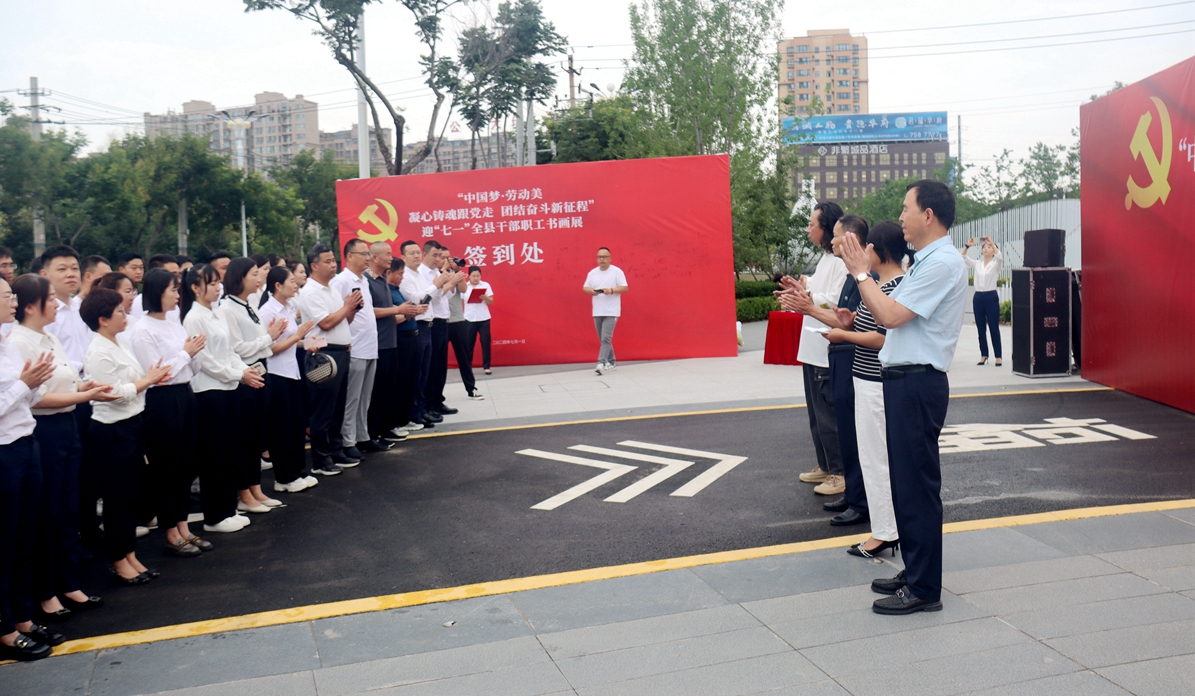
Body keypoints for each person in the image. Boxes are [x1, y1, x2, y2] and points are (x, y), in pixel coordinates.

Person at [840, 180, 967, 615]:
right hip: (904, 382)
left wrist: (861, 273)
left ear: (928, 215)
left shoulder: (942, 263)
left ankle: (924, 588)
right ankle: (914, 571)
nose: (901, 217)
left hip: (917, 383)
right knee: (906, 484)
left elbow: (891, 315)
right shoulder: (925, 261)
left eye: (905, 208)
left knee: (917, 488)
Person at [9, 275, 114, 621]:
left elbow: (62, 381)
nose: (56, 303)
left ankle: (69, 582)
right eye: (49, 298)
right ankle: (47, 590)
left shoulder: (48, 336)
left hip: (68, 423)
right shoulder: (19, 341)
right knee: (47, 513)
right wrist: (85, 394)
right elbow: (36, 398)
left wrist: (85, 387)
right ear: (30, 306)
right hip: (46, 428)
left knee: (68, 507)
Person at [826, 221, 907, 559]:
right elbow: (868, 324)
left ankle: (886, 532)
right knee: (873, 458)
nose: (864, 253)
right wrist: (846, 323)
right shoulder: (881, 284)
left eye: (868, 247)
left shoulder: (893, 287)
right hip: (868, 382)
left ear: (879, 251)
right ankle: (885, 529)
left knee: (877, 461)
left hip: (876, 384)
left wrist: (844, 335)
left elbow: (881, 337)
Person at [80, 288, 171, 583]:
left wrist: (148, 377)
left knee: (130, 497)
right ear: (103, 319)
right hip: (111, 431)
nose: (125, 315)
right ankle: (119, 560)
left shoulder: (119, 342)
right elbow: (111, 394)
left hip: (132, 425)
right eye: (119, 311)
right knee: (116, 500)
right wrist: (147, 381)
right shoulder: (98, 350)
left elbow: (132, 381)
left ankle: (130, 554)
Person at [128, 269, 209, 557]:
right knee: (167, 467)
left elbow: (188, 367)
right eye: (173, 290)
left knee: (187, 463)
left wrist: (195, 353)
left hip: (185, 393)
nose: (178, 295)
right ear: (157, 292)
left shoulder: (175, 324)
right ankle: (170, 533)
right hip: (162, 401)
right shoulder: (143, 329)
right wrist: (187, 354)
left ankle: (184, 527)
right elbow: (158, 375)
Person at [0, 276, 59, 662]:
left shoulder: (7, 345)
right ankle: (4, 628)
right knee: (3, 543)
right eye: (6, 296)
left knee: (25, 539)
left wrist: (34, 382)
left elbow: (26, 398)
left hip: (26, 444)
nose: (13, 300)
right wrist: (24, 384)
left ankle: (22, 617)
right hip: (3, 452)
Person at [181, 265, 263, 533]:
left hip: (228, 388)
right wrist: (238, 375)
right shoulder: (194, 318)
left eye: (218, 283)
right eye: (211, 283)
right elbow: (205, 362)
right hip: (209, 392)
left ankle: (228, 508)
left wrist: (243, 370)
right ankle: (214, 516)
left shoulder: (215, 314)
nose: (218, 287)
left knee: (230, 450)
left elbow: (229, 352)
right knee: (213, 455)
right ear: (195, 288)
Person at [777, 202, 848, 497]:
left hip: (825, 347)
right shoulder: (825, 259)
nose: (808, 229)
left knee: (829, 414)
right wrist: (800, 291)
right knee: (816, 414)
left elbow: (833, 303)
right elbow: (816, 296)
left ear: (828, 227)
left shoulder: (842, 263)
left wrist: (806, 296)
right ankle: (825, 463)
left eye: (811, 224)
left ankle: (839, 472)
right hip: (811, 347)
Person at [217, 258, 284, 513]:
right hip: (244, 378)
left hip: (260, 373)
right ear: (240, 277)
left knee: (256, 436)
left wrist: (267, 339)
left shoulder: (248, 306)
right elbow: (237, 349)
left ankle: (256, 489)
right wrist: (269, 337)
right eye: (255, 274)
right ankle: (244, 493)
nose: (260, 279)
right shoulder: (227, 309)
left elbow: (258, 343)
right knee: (244, 439)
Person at [298, 244, 363, 473]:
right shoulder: (310, 291)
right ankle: (320, 459)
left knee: (337, 407)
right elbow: (325, 323)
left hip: (341, 351)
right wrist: (347, 307)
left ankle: (336, 451)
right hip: (323, 355)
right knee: (323, 410)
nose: (333, 264)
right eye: (327, 261)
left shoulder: (331, 289)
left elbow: (344, 321)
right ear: (314, 266)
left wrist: (352, 309)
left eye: (334, 260)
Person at [258, 266, 317, 493]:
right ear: (277, 286)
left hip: (293, 371)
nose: (295, 284)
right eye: (291, 281)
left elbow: (292, 342)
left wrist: (306, 342)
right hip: (276, 374)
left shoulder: (289, 306)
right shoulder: (267, 311)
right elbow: (269, 349)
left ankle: (298, 470)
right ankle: (284, 477)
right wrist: (298, 336)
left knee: (296, 424)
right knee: (281, 428)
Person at [333, 239, 386, 457]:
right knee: (351, 398)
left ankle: (363, 436)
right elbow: (339, 313)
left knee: (365, 397)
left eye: (368, 254)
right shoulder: (342, 281)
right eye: (363, 254)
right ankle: (347, 441)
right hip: (354, 347)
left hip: (370, 345)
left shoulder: (363, 280)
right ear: (350, 256)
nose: (367, 258)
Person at [398, 240, 458, 428]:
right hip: (419, 325)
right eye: (412, 253)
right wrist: (438, 284)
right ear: (403, 257)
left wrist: (441, 284)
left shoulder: (419, 275)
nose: (416, 256)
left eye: (417, 252)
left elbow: (435, 297)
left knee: (426, 371)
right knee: (419, 372)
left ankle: (423, 408)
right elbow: (420, 299)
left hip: (430, 323)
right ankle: (417, 411)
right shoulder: (407, 276)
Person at [422, 242, 465, 418]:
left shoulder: (437, 273)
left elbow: (448, 293)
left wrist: (450, 278)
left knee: (440, 366)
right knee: (431, 367)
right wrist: (449, 281)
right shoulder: (423, 273)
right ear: (425, 255)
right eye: (436, 256)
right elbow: (429, 296)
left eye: (441, 256)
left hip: (443, 321)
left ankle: (437, 400)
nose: (439, 259)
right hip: (433, 321)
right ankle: (428, 404)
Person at [387, 259, 427, 434]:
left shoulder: (397, 291)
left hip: (411, 338)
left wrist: (412, 312)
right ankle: (394, 422)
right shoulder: (387, 292)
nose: (402, 277)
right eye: (400, 273)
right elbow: (392, 318)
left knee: (409, 381)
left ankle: (404, 418)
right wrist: (411, 312)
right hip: (400, 340)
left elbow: (404, 313)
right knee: (399, 382)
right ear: (389, 273)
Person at [583, 247, 628, 375]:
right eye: (599, 257)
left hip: (611, 311)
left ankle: (601, 363)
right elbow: (585, 288)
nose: (602, 259)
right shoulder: (592, 273)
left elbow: (625, 288)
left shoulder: (616, 272)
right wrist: (591, 292)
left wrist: (612, 290)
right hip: (597, 310)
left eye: (604, 257)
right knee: (603, 339)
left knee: (606, 338)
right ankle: (611, 361)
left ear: (610, 258)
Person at [961, 236, 1003, 366]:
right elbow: (963, 258)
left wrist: (993, 244)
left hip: (991, 296)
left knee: (993, 327)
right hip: (979, 297)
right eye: (984, 247)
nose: (986, 249)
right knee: (980, 327)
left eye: (989, 247)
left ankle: (998, 356)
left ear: (993, 251)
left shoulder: (995, 265)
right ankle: (984, 355)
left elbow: (1000, 257)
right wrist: (967, 246)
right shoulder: (977, 264)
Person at [445, 256, 482, 400]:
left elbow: (463, 288)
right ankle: (436, 397)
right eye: (443, 257)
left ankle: (471, 388)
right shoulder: (435, 275)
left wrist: (457, 271)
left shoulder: (455, 274)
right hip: (441, 321)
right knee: (439, 361)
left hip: (458, 320)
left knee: (464, 357)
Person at [464, 266, 494, 376]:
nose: (476, 278)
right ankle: (468, 367)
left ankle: (487, 366)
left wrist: (484, 297)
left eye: (478, 276)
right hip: (469, 318)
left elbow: (491, 301)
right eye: (473, 276)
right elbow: (460, 299)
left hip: (484, 318)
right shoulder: (465, 287)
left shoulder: (485, 285)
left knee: (485, 342)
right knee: (469, 344)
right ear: (469, 276)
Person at [96, 272, 139, 337]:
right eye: (128, 292)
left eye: (133, 292)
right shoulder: (101, 326)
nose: (132, 298)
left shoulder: (133, 321)